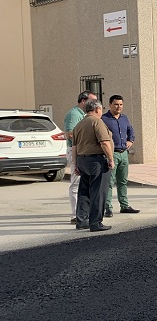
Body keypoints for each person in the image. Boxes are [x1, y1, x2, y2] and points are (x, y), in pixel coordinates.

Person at [72, 99, 114, 232]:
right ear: (97, 109)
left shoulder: (79, 124)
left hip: (82, 160)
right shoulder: (97, 122)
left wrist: (75, 164)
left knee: (84, 191)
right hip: (97, 160)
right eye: (101, 109)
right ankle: (96, 222)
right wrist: (110, 159)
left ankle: (82, 220)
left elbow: (74, 147)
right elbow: (104, 142)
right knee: (99, 191)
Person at [101, 95, 139, 217]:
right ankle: (108, 208)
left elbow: (130, 130)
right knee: (109, 182)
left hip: (124, 154)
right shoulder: (104, 119)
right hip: (112, 154)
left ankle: (124, 205)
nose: (119, 107)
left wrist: (130, 141)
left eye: (121, 104)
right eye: (116, 104)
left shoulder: (124, 118)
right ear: (110, 105)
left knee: (122, 181)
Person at [63, 91, 97, 224]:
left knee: (85, 183)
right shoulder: (74, 114)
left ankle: (84, 212)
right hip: (75, 150)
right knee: (76, 183)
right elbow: (70, 134)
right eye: (92, 101)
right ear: (83, 101)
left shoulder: (85, 115)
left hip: (84, 150)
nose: (94, 104)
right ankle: (75, 215)